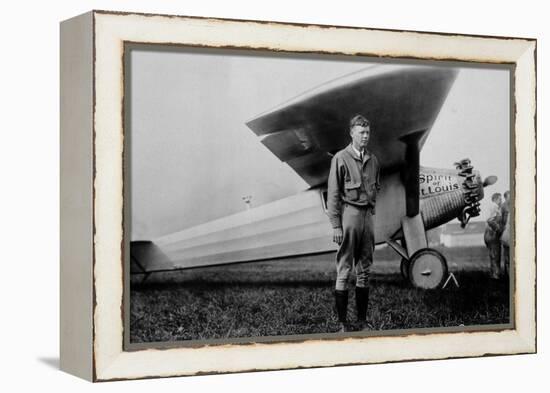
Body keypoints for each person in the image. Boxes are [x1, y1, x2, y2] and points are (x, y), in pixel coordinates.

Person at [327, 114, 380, 332]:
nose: (365, 136)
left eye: (368, 132)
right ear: (352, 133)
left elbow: (376, 187)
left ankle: (362, 321)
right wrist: (336, 225)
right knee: (345, 269)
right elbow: (333, 194)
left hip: (367, 217)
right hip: (349, 216)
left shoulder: (374, 160)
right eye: (361, 132)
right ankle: (342, 324)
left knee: (365, 269)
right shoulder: (340, 158)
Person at [484, 192, 503, 279]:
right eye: (500, 199)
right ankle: (496, 275)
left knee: (492, 254)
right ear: (495, 199)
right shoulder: (495, 207)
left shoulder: (490, 206)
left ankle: (493, 274)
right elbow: (490, 220)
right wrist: (498, 230)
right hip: (492, 234)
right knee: (495, 254)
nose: (501, 201)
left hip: (488, 233)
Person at [500, 190, 511, 277]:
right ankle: (507, 273)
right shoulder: (503, 206)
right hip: (506, 231)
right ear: (506, 197)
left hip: (509, 230)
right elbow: (501, 220)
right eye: (509, 196)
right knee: (506, 255)